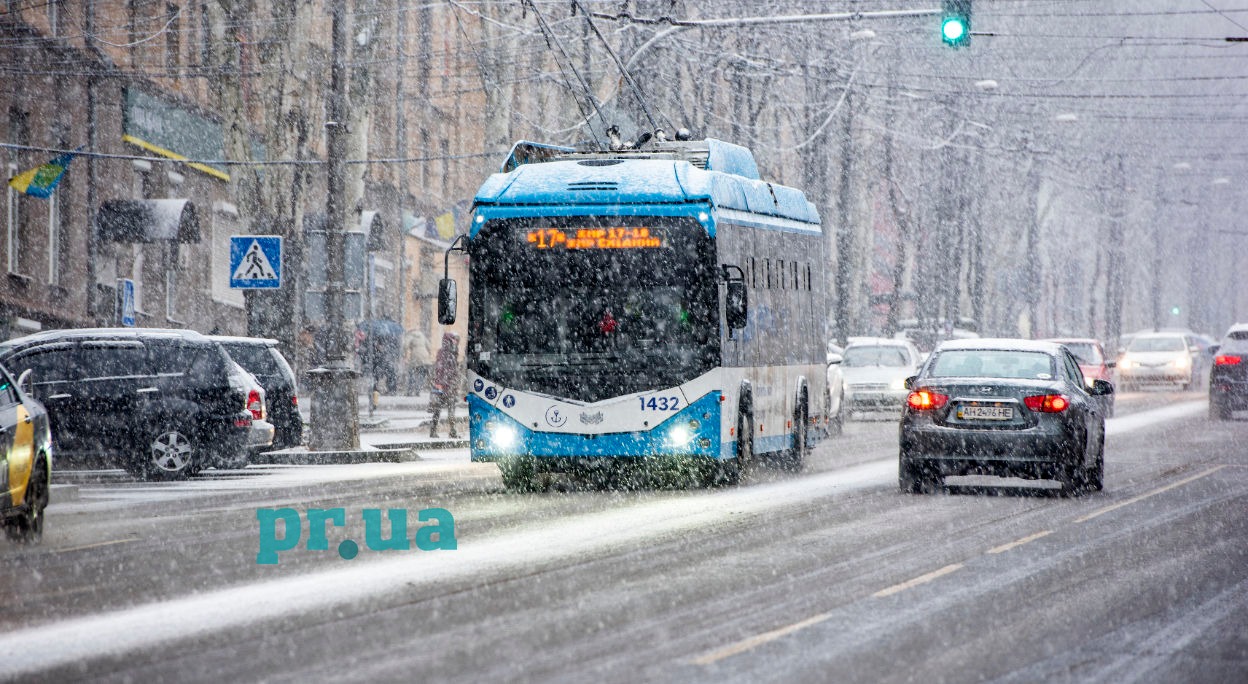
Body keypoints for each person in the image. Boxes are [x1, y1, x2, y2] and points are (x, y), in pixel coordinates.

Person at [428, 331, 461, 438]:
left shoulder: (447, 352)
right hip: (445, 386)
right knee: (447, 409)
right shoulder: (448, 353)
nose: (455, 343)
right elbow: (444, 370)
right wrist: (447, 383)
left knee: (440, 409)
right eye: (454, 340)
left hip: (444, 386)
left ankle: (437, 431)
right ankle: (450, 431)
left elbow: (441, 370)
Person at [403, 327, 433, 395]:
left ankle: (410, 391)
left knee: (412, 373)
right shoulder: (422, 335)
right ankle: (417, 390)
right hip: (425, 356)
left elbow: (405, 345)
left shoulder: (410, 335)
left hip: (415, 356)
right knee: (421, 374)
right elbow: (429, 346)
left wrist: (404, 354)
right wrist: (428, 354)